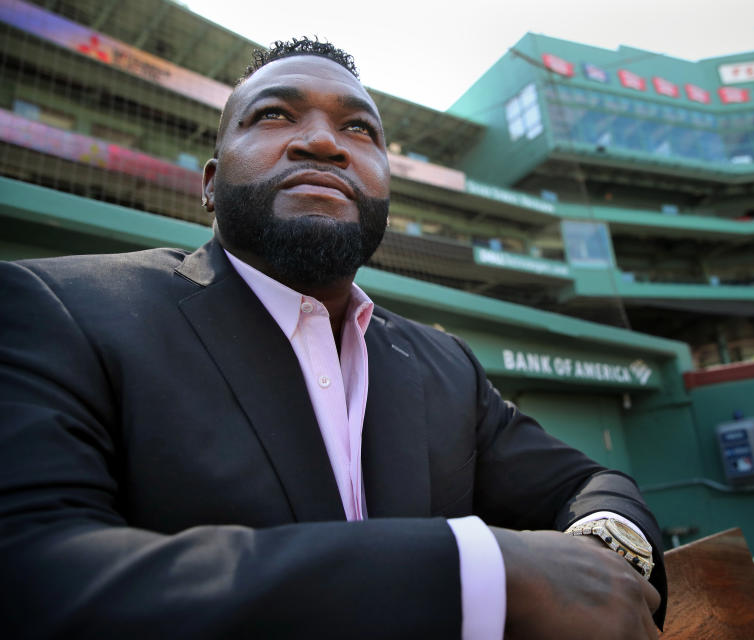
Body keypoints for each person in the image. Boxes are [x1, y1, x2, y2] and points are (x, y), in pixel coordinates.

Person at [0, 37, 667, 639]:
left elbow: (584, 483)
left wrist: (606, 550)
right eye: (274, 115)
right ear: (210, 183)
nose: (324, 142)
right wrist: (479, 572)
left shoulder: (445, 365)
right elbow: (33, 574)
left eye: (358, 128)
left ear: (383, 186)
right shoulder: (56, 309)